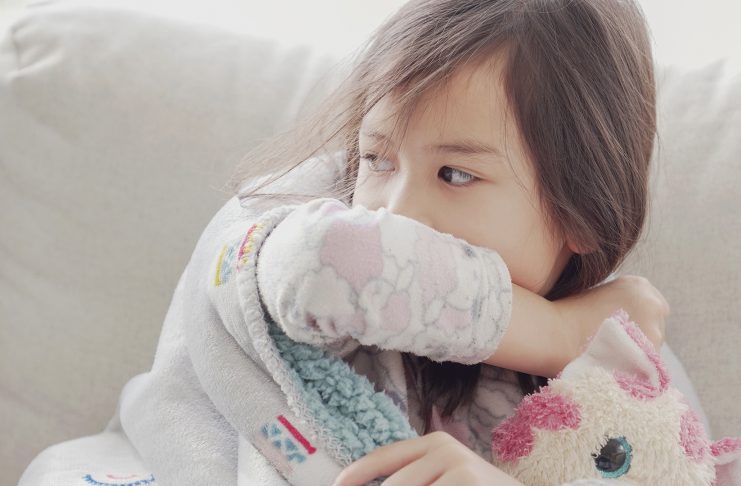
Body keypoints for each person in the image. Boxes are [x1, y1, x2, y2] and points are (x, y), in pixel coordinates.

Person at [18, 0, 681, 485]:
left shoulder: (616, 369)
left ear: (580, 211)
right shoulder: (299, 227)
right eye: (378, 159)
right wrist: (553, 331)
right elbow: (330, 267)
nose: (395, 211)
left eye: (455, 175)